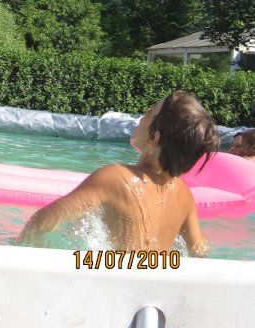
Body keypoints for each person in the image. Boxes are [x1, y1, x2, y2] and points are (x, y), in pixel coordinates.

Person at [16, 91, 219, 256]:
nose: (146, 112)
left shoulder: (114, 177)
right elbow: (199, 250)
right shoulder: (184, 196)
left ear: (154, 138)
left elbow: (41, 222)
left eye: (151, 112)